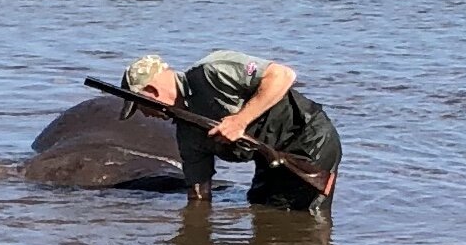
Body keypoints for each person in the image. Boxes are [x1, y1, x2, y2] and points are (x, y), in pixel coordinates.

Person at [117, 48, 341, 213]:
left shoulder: (213, 70)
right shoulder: (186, 133)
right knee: (261, 208)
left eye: (140, 106)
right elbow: (199, 193)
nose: (145, 114)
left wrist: (240, 121)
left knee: (301, 217)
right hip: (271, 160)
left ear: (151, 91)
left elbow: (283, 75)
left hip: (308, 139)